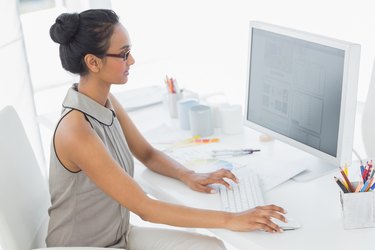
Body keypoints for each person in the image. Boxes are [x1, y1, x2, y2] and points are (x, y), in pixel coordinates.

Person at [47, 9, 287, 249]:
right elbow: (145, 208)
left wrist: (189, 175)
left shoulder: (106, 102)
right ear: (93, 62)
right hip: (82, 246)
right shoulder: (75, 131)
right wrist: (231, 219)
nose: (132, 61)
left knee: (211, 247)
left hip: (119, 236)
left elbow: (147, 154)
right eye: (124, 54)